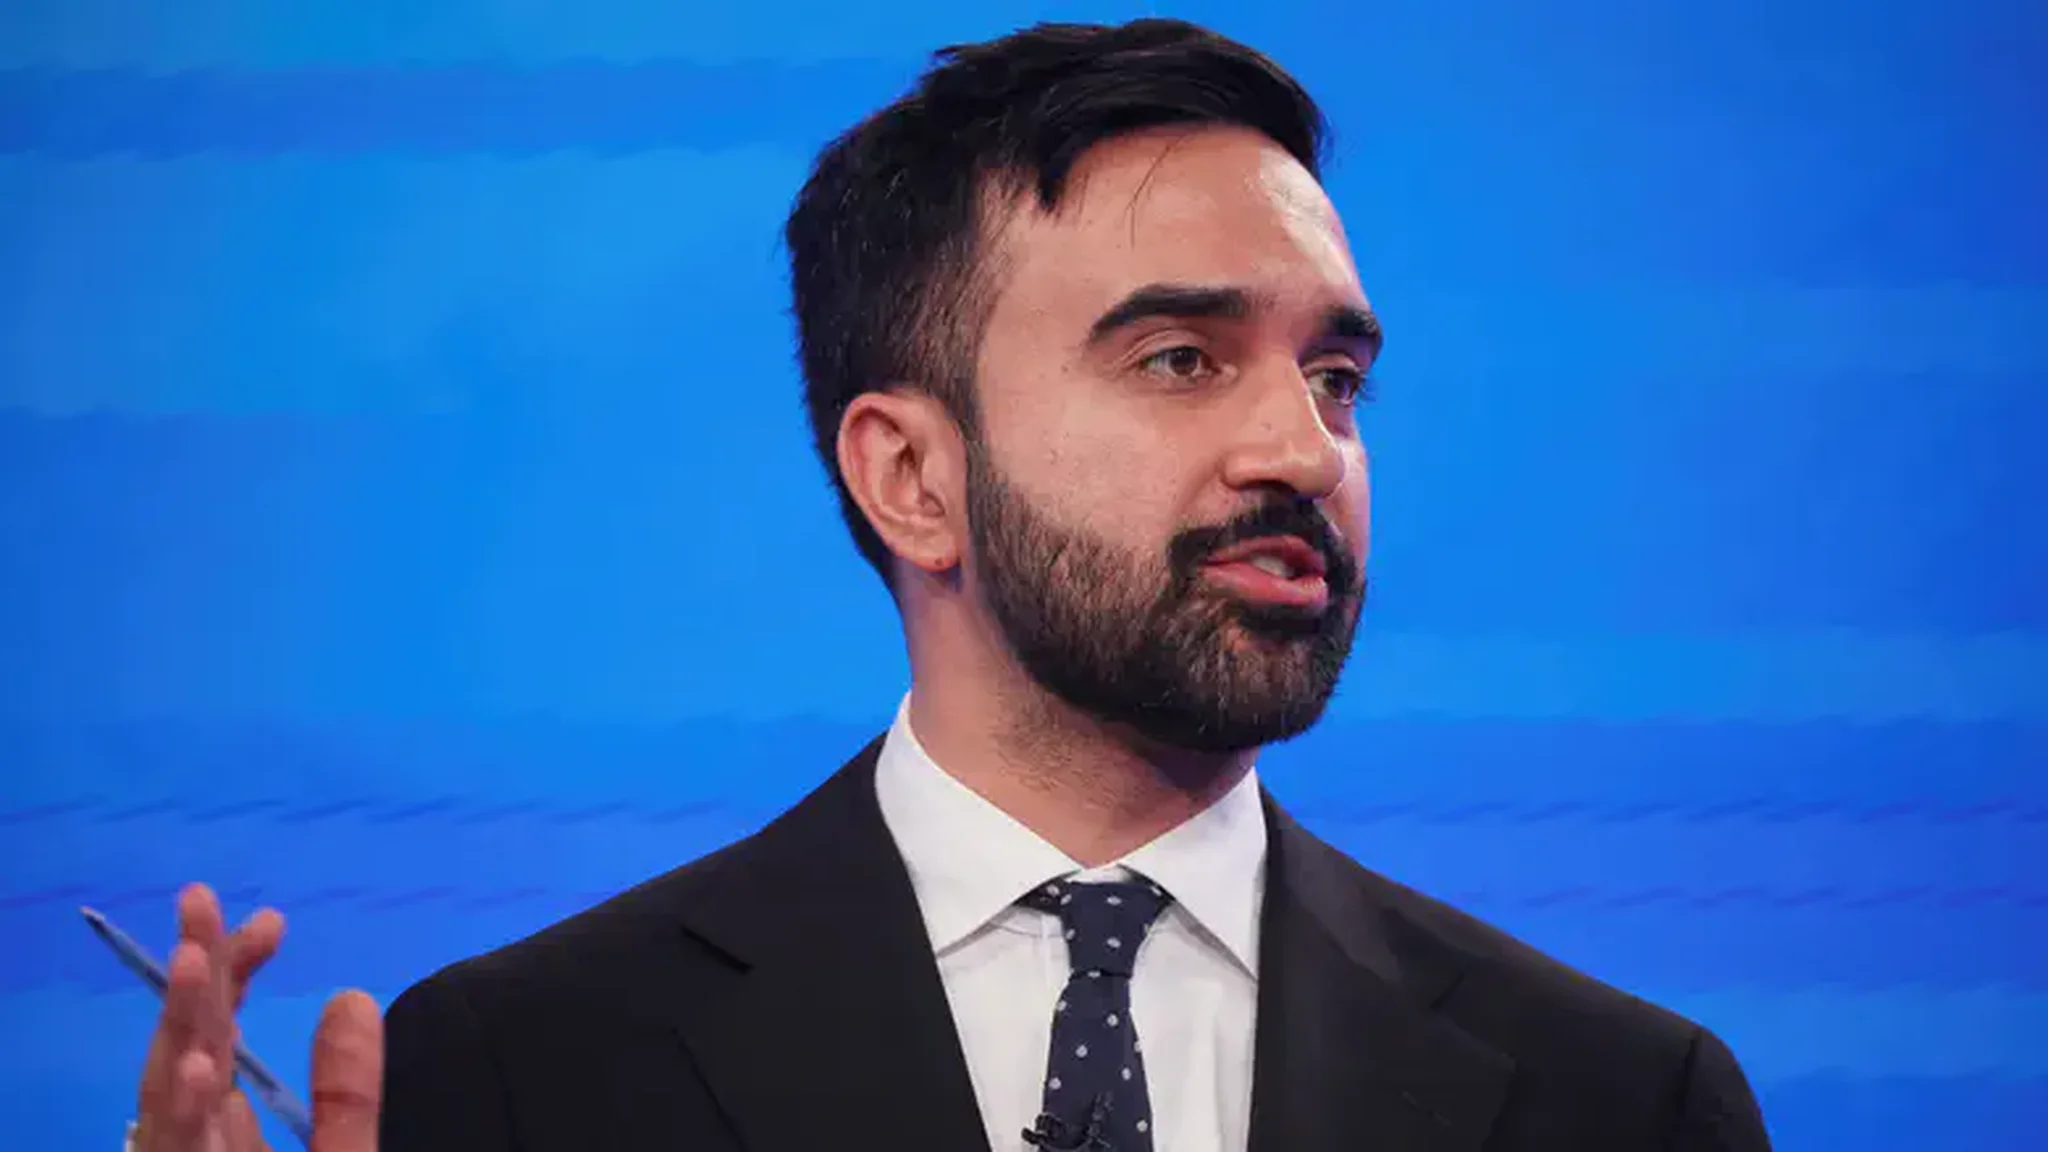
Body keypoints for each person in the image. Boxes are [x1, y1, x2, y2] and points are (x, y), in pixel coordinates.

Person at [127, 18, 1773, 1152]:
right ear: (912, 477)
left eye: (1335, 378)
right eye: (1182, 358)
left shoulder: (1621, 1103)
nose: (1303, 446)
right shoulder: (522, 1077)